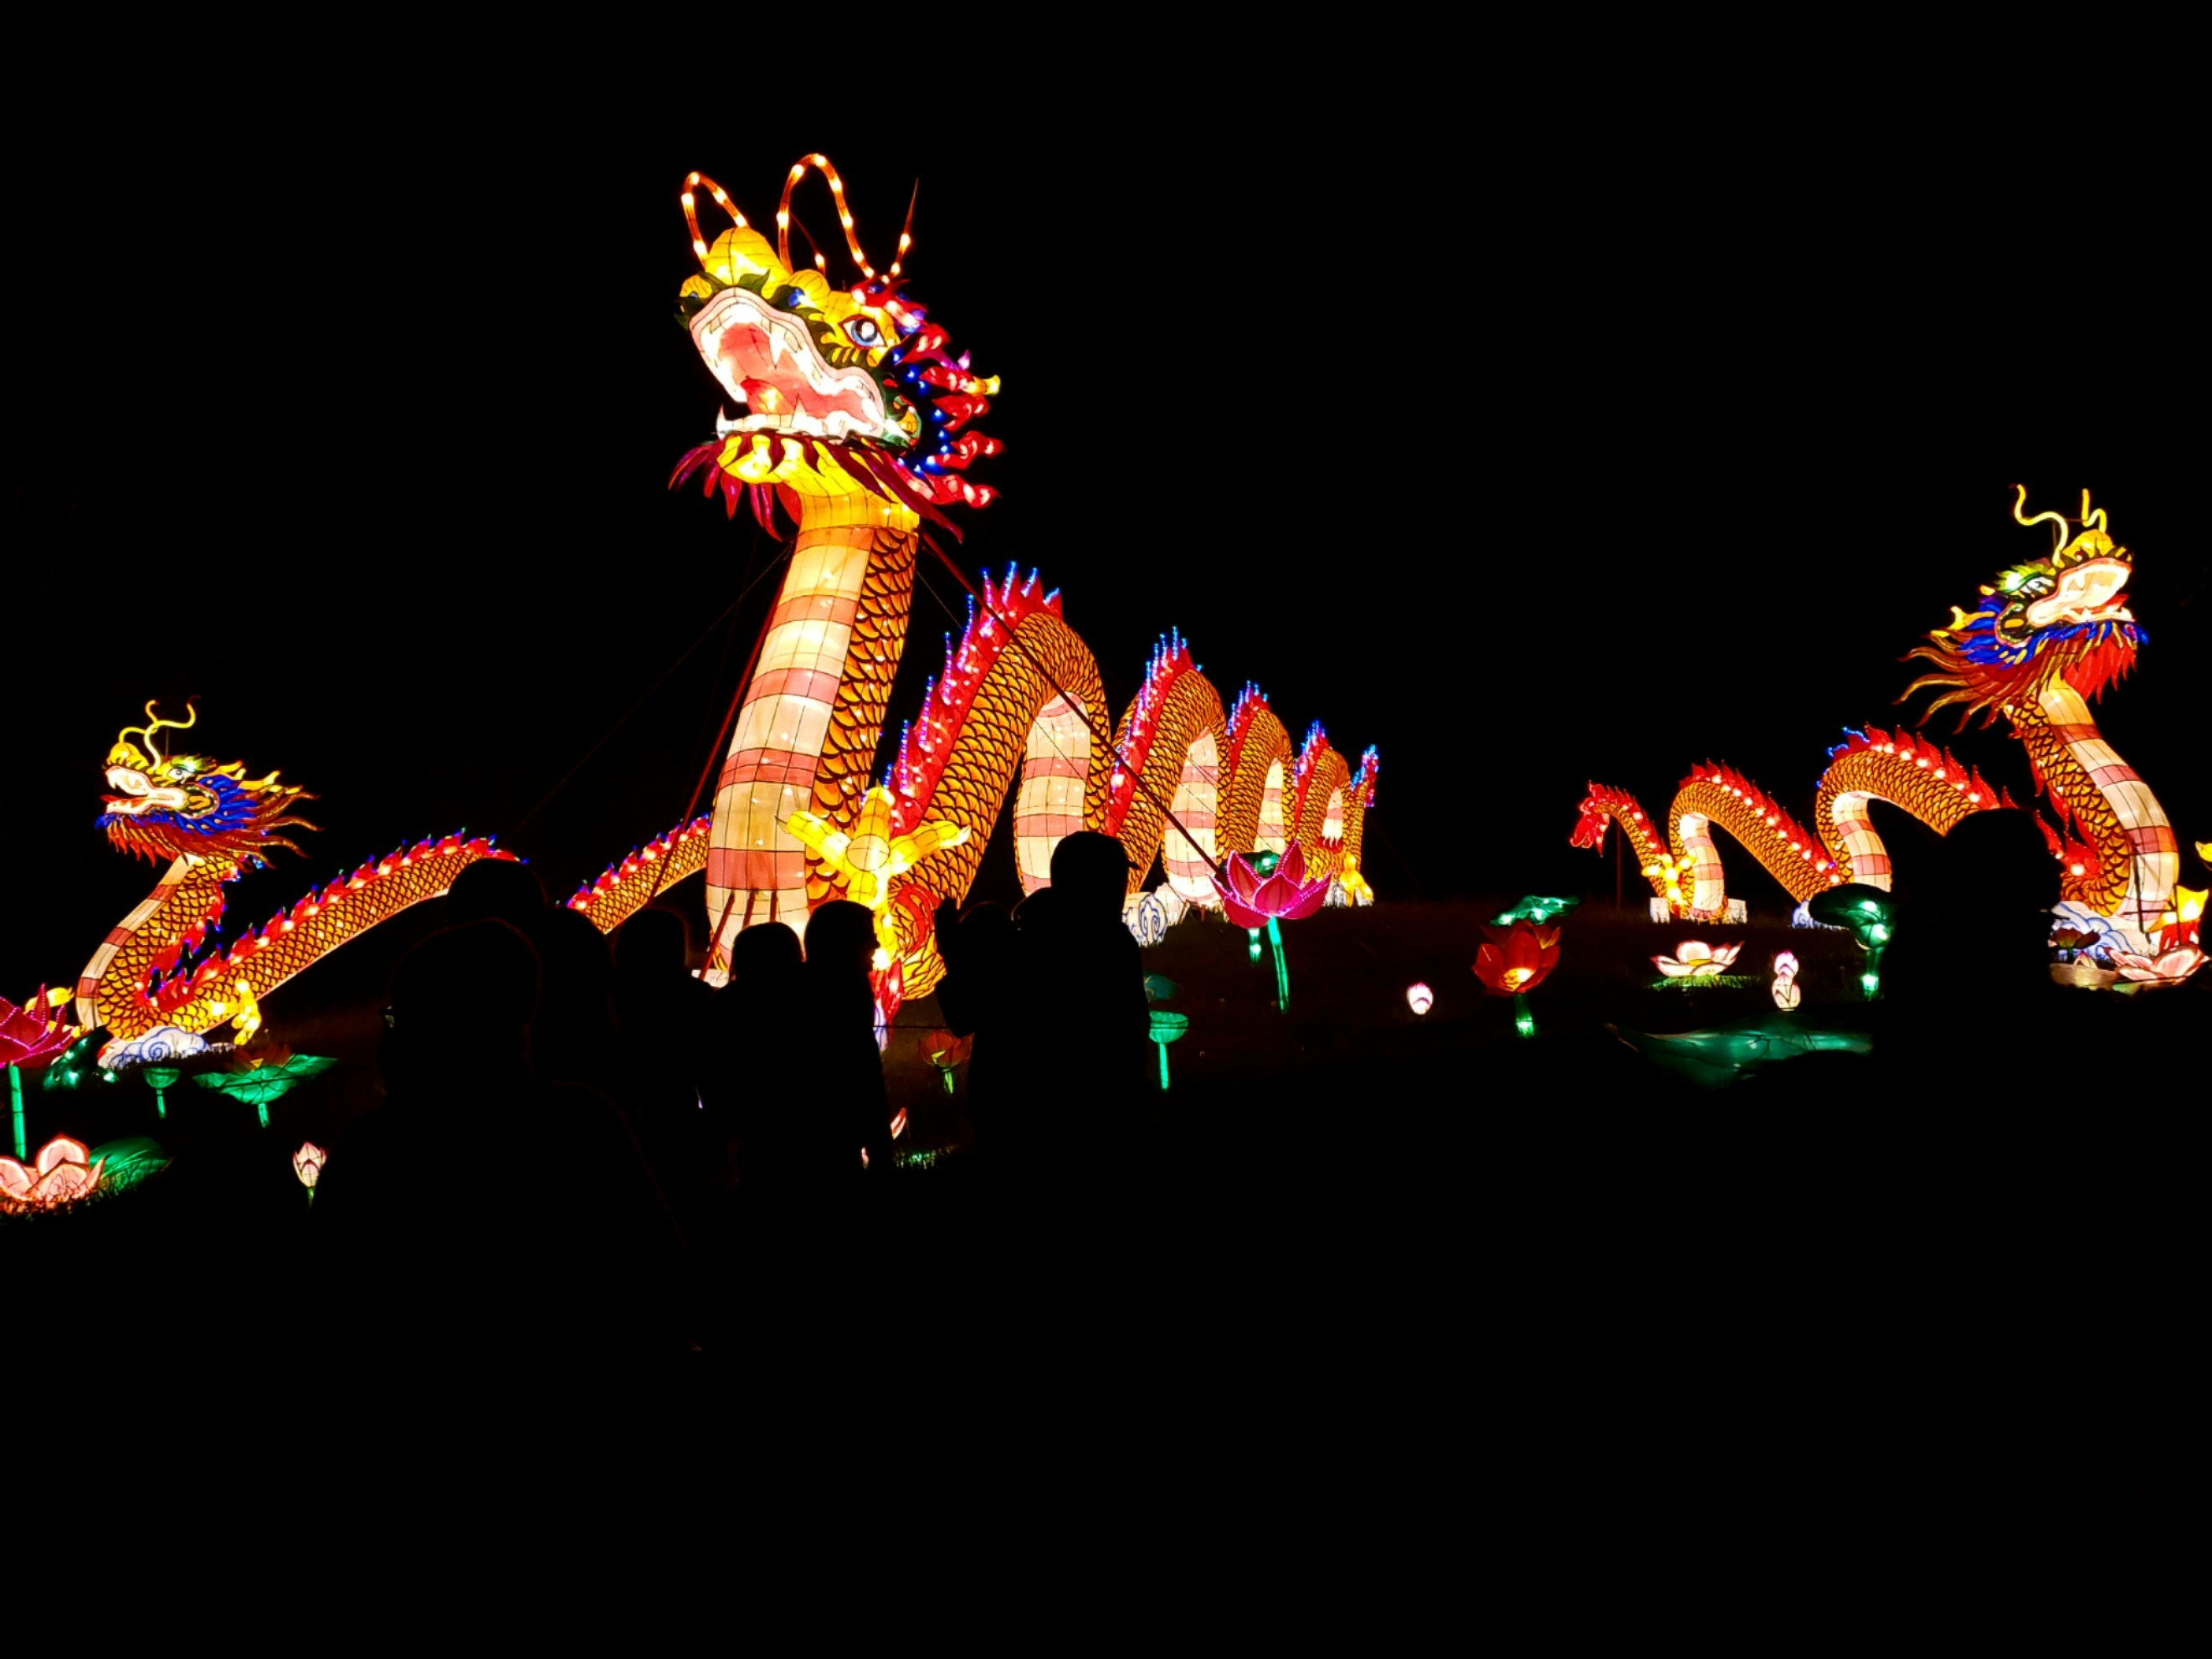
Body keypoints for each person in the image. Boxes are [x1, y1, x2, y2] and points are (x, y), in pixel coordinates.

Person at [314, 919, 682, 1353]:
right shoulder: (579, 1121)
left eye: (396, 1016)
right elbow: (660, 1267)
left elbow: (332, 1296)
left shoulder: (373, 1148)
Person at [932, 832, 1150, 1190]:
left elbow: (966, 1012)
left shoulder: (1040, 938)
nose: (1122, 887)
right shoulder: (1070, 943)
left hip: (1034, 1115)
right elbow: (968, 1014)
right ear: (1086, 881)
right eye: (1113, 876)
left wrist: (953, 953)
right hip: (1055, 1120)